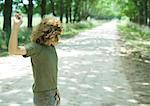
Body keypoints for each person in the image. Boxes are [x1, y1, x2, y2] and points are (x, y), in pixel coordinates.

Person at [8, 13, 63, 106]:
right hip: (43, 96)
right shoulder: (36, 47)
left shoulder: (51, 47)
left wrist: (55, 89)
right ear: (47, 34)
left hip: (52, 93)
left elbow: (50, 72)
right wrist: (16, 27)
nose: (57, 39)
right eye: (55, 35)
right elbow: (13, 50)